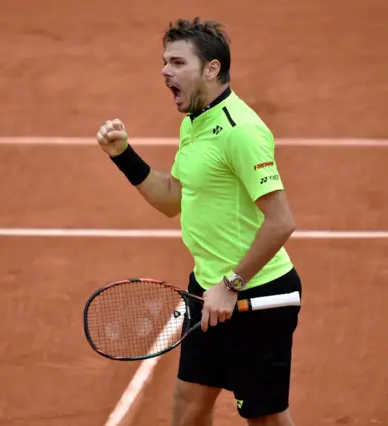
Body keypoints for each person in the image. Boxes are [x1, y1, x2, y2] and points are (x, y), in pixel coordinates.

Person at [96, 17, 301, 426]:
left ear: (211, 68)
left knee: (265, 418)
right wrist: (123, 155)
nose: (165, 72)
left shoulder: (240, 131)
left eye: (176, 62)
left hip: (255, 297)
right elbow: (173, 199)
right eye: (164, 62)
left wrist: (230, 285)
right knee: (188, 407)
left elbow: (281, 222)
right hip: (208, 291)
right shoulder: (195, 121)